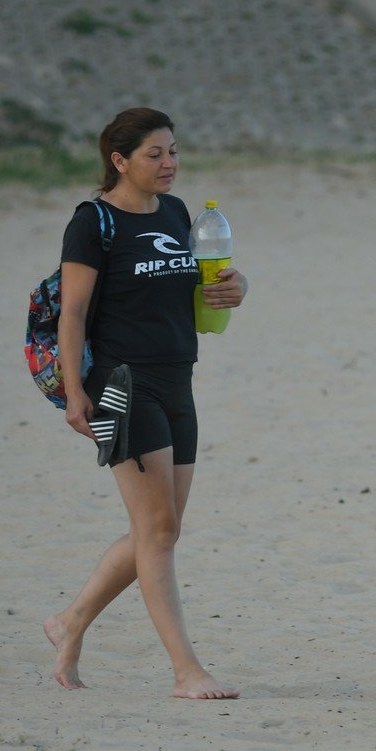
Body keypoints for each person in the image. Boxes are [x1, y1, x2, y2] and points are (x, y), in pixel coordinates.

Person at [42, 108, 245, 699]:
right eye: (155, 154)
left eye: (174, 152)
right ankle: (187, 671)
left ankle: (70, 621)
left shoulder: (181, 215)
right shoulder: (93, 223)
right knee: (156, 529)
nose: (169, 164)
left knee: (163, 527)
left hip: (178, 379)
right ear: (119, 160)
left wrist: (237, 288)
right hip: (121, 384)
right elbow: (73, 313)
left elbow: (199, 291)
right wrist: (74, 393)